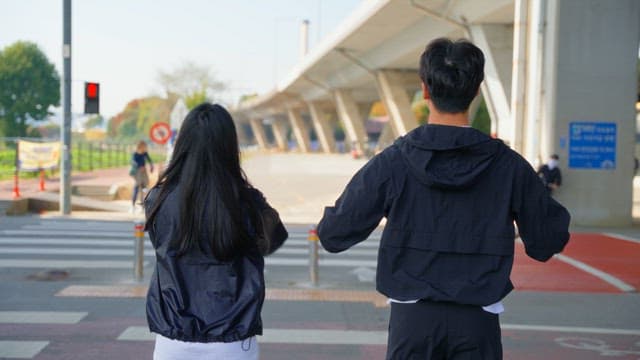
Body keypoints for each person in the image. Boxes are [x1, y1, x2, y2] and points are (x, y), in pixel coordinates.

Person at [318, 38, 571, 359]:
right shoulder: (508, 166)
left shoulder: (394, 161)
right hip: (479, 321)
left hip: (411, 322)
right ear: (477, 90)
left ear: (425, 90)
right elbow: (547, 241)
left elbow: (333, 234)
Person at [144, 103, 288, 360]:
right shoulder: (247, 202)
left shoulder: (159, 199)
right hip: (232, 339)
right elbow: (274, 239)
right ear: (229, 147)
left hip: (173, 338)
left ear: (182, 144)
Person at [130, 140, 154, 213]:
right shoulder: (135, 154)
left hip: (143, 173)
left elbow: (149, 160)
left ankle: (142, 206)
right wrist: (140, 166)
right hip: (138, 173)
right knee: (136, 188)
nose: (145, 148)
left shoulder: (145, 153)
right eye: (144, 146)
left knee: (144, 189)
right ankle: (133, 206)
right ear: (140, 146)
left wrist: (151, 166)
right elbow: (133, 162)